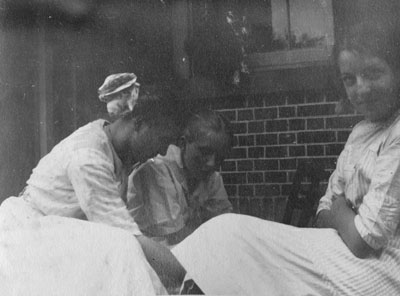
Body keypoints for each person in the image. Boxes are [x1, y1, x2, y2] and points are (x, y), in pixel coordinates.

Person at [171, 19, 400, 296]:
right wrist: (343, 215)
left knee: (233, 243)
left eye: (373, 73)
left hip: (375, 272)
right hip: (338, 248)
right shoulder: (361, 132)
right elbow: (323, 207)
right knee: (227, 238)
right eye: (349, 79)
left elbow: (363, 239)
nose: (361, 89)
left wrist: (340, 210)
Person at [0, 73, 185, 295]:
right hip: (27, 237)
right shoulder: (89, 156)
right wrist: (189, 274)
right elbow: (130, 240)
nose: (164, 151)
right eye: (163, 139)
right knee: (123, 250)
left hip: (57, 233)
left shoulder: (115, 146)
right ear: (140, 124)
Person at [127, 109, 233, 247]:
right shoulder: (157, 169)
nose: (212, 163)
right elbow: (176, 237)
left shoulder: (212, 177)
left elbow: (226, 224)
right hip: (150, 258)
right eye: (205, 152)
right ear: (183, 144)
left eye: (220, 156)